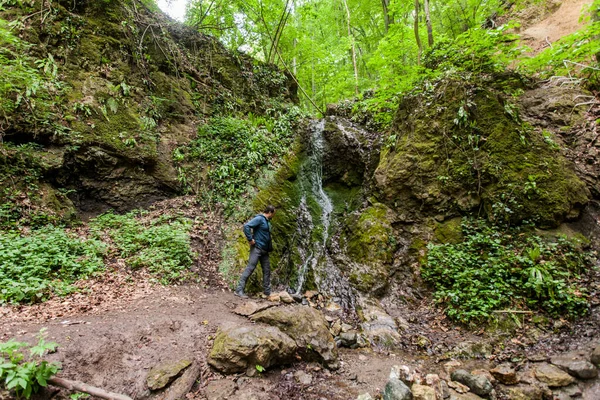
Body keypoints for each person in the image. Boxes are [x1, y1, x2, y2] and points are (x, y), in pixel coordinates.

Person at [235, 205, 276, 298]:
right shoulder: (259, 219)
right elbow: (246, 226)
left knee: (267, 270)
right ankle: (239, 290)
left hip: (265, 251)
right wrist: (250, 239)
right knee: (250, 268)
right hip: (257, 248)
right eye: (273, 213)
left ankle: (267, 291)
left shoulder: (267, 221)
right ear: (270, 212)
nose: (274, 215)